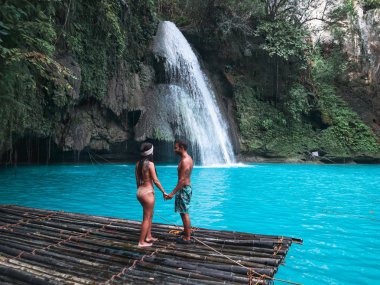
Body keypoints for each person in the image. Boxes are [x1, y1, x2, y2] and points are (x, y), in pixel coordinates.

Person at [135, 142, 166, 247]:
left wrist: (141, 192)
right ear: (151, 152)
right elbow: (156, 181)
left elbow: (137, 182)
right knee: (147, 218)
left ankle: (148, 236)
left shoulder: (138, 164)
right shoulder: (150, 164)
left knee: (149, 215)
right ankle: (141, 242)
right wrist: (164, 192)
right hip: (148, 193)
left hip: (140, 192)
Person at [165, 139, 194, 243]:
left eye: (175, 148)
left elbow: (182, 180)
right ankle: (186, 231)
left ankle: (187, 238)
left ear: (181, 148)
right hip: (186, 188)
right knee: (183, 212)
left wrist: (172, 194)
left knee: (184, 213)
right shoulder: (188, 158)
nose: (174, 150)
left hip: (184, 189)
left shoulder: (185, 161)